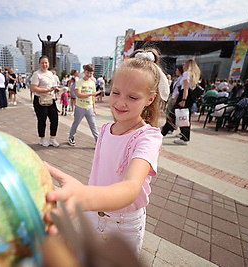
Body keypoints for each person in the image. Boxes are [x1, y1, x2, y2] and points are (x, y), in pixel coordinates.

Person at [45, 48, 170, 257]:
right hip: (93, 211)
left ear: (150, 99)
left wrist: (85, 196)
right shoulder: (105, 129)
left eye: (132, 97)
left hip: (123, 224)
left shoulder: (148, 137)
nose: (121, 102)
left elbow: (130, 187)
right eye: (116, 92)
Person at [30, 55, 60, 147]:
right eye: (42, 62)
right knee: (42, 120)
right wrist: (46, 90)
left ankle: (52, 138)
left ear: (48, 64)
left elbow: (53, 85)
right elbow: (33, 87)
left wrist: (56, 89)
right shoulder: (37, 74)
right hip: (40, 100)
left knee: (54, 119)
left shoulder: (51, 74)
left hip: (51, 99)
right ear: (39, 64)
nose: (44, 64)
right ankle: (42, 139)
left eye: (46, 62)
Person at [68, 64, 100, 146]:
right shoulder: (79, 82)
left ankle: (98, 142)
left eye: (91, 73)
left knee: (93, 126)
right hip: (80, 107)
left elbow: (93, 97)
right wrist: (90, 94)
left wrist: (94, 107)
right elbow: (78, 94)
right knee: (76, 123)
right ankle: (71, 137)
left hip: (89, 108)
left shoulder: (92, 83)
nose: (89, 75)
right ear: (84, 71)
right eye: (88, 72)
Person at [173, 58, 201, 145]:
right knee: (184, 117)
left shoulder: (186, 74)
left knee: (180, 116)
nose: (183, 65)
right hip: (189, 98)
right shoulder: (193, 75)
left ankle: (184, 137)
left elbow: (185, 89)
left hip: (184, 97)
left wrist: (183, 100)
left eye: (185, 64)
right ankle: (184, 135)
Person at [161, 65, 184, 136]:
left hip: (175, 98)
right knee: (169, 113)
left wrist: (175, 99)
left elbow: (179, 90)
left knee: (170, 113)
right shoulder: (178, 78)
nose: (176, 71)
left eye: (177, 70)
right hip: (173, 96)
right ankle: (169, 127)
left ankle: (170, 128)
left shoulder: (182, 79)